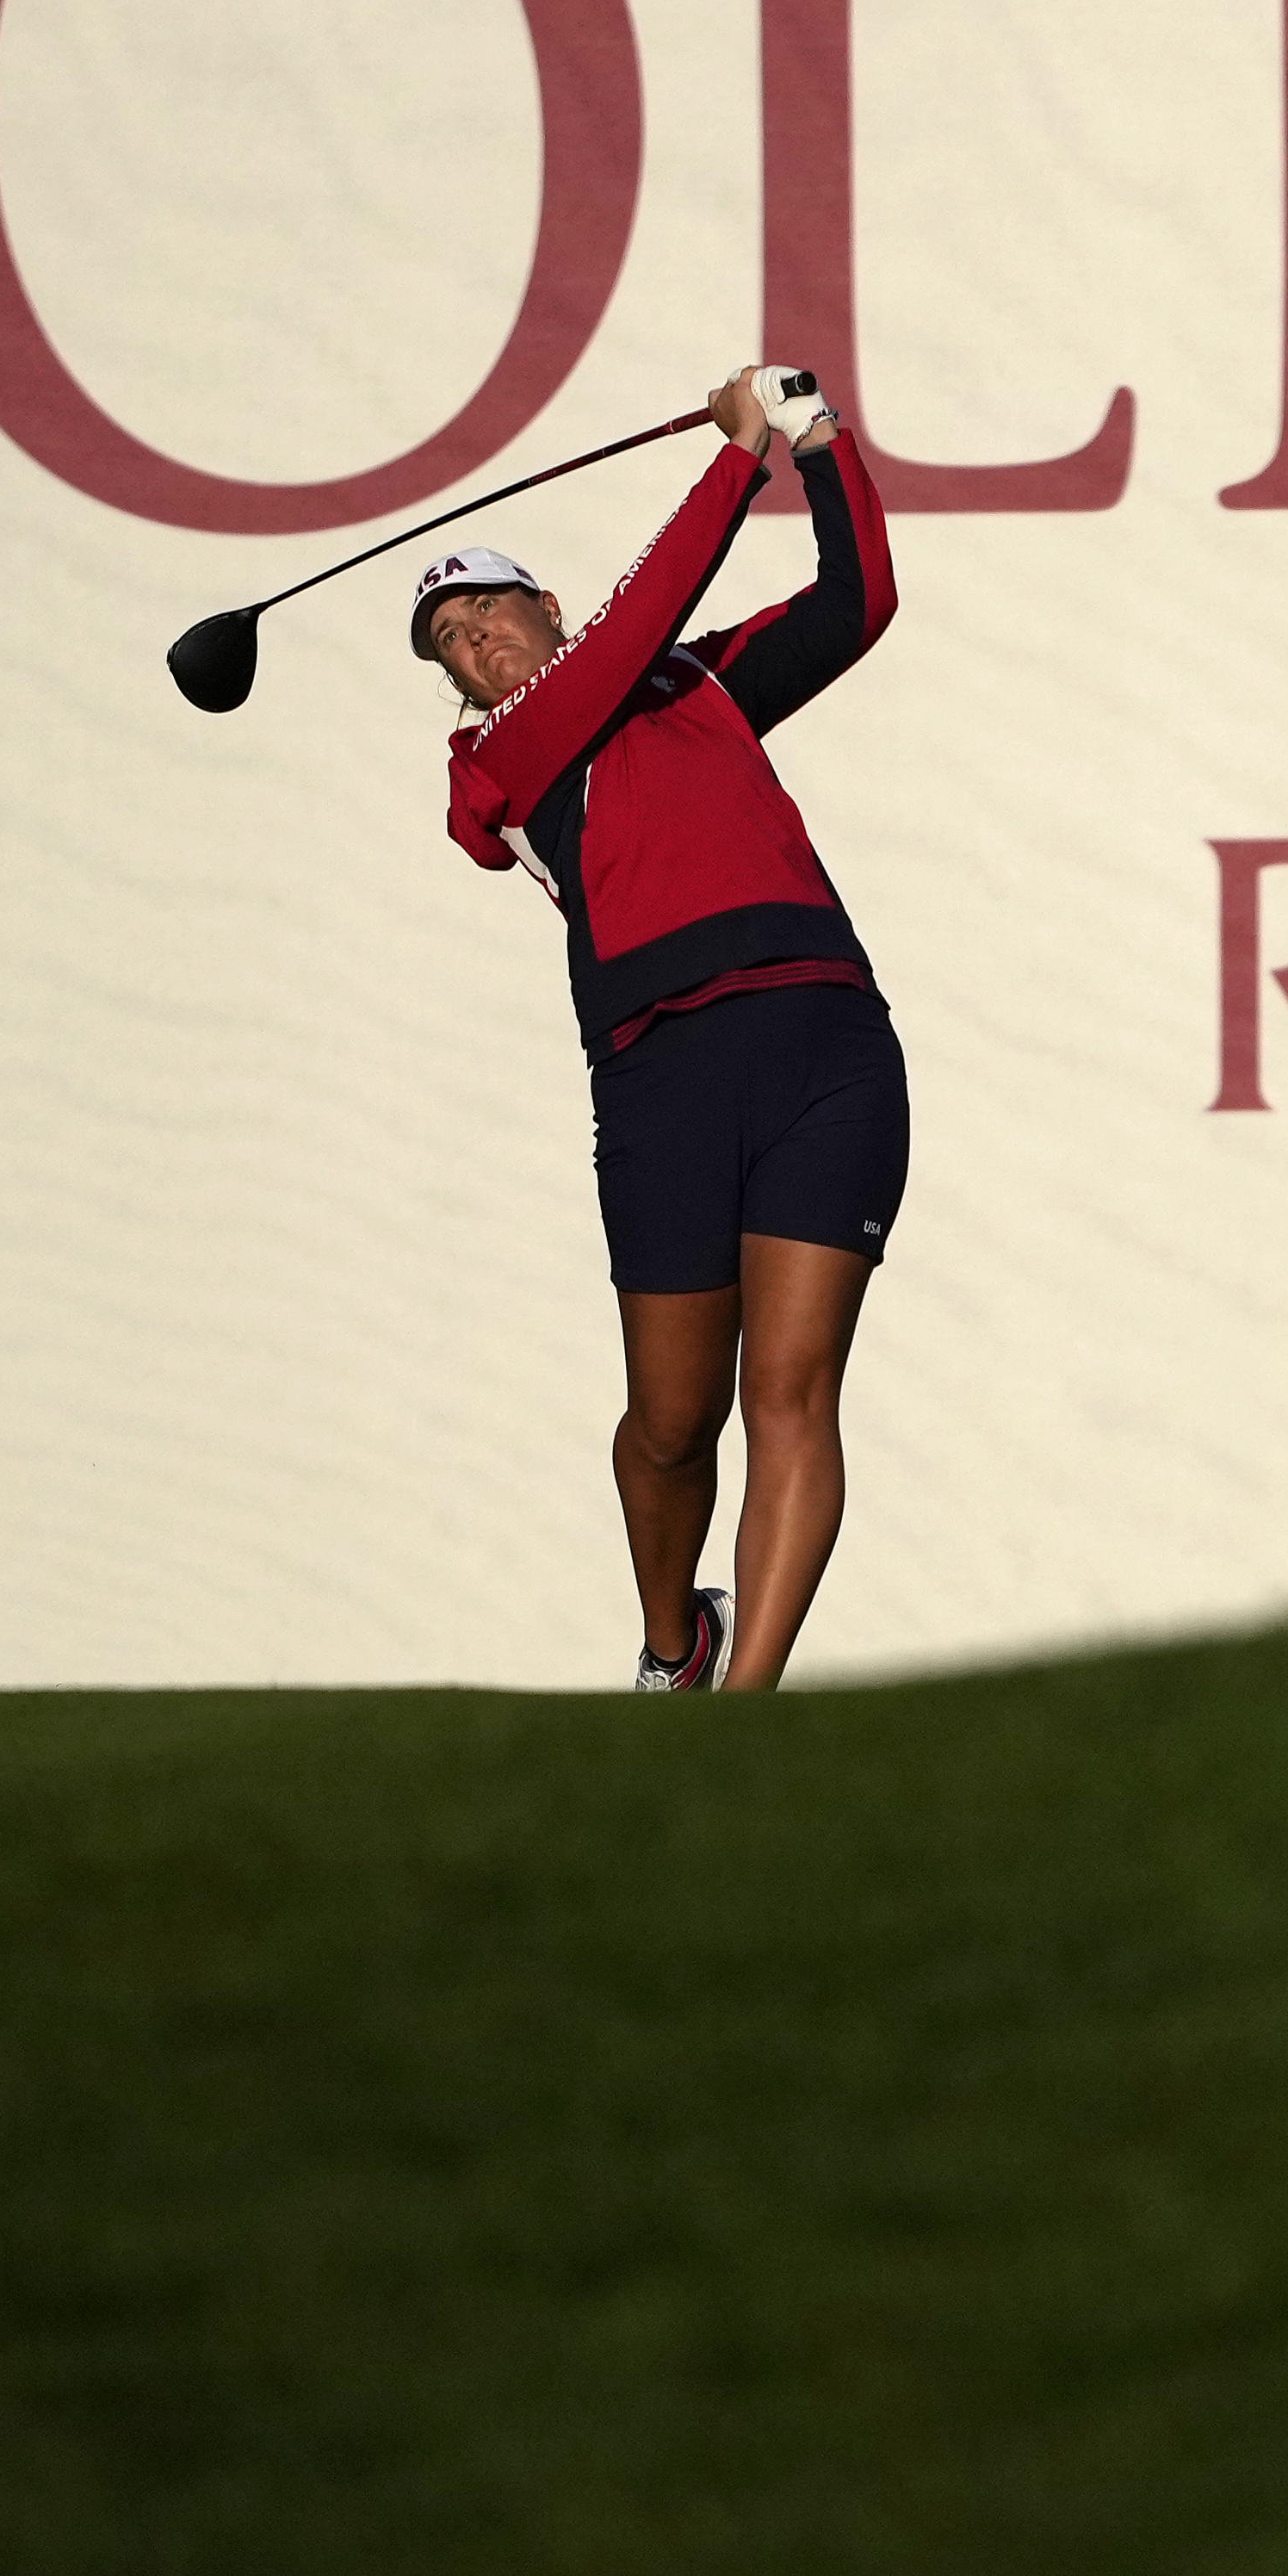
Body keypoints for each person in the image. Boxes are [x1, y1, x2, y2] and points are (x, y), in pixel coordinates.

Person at [418, 364, 906, 1692]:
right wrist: (732, 461)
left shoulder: (687, 683)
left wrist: (816, 437)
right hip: (663, 1074)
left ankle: (743, 1716)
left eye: (487, 613)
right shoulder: (493, 767)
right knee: (673, 1420)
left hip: (823, 1034)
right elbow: (628, 637)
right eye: (450, 642)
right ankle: (672, 1639)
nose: (476, 646)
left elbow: (859, 602)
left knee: (792, 1392)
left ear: (545, 606)